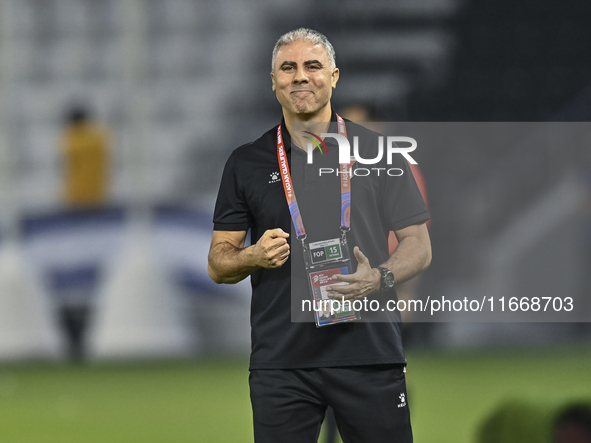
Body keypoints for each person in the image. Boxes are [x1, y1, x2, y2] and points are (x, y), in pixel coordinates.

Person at [208, 28, 431, 443]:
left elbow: (418, 244)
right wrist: (250, 256)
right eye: (287, 68)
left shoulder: (382, 154)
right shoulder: (246, 162)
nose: (300, 76)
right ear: (273, 81)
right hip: (283, 362)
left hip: (369, 353)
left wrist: (379, 277)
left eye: (312, 66)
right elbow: (218, 262)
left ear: (334, 76)